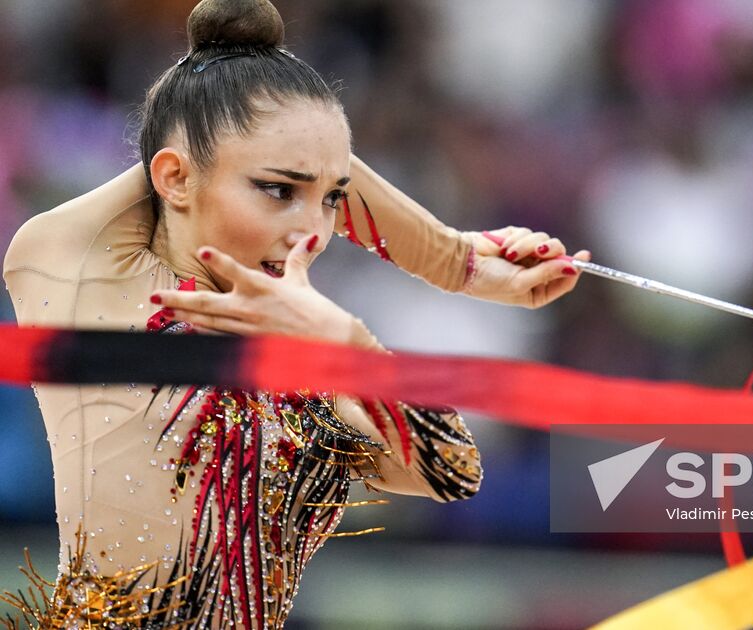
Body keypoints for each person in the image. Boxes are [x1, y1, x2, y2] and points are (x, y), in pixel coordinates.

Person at [0, 0, 588, 627]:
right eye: (280, 191)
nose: (315, 231)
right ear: (172, 178)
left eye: (333, 199)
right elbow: (200, 145)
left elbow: (453, 472)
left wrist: (351, 345)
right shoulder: (78, 268)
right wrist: (451, 259)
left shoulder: (314, 362)